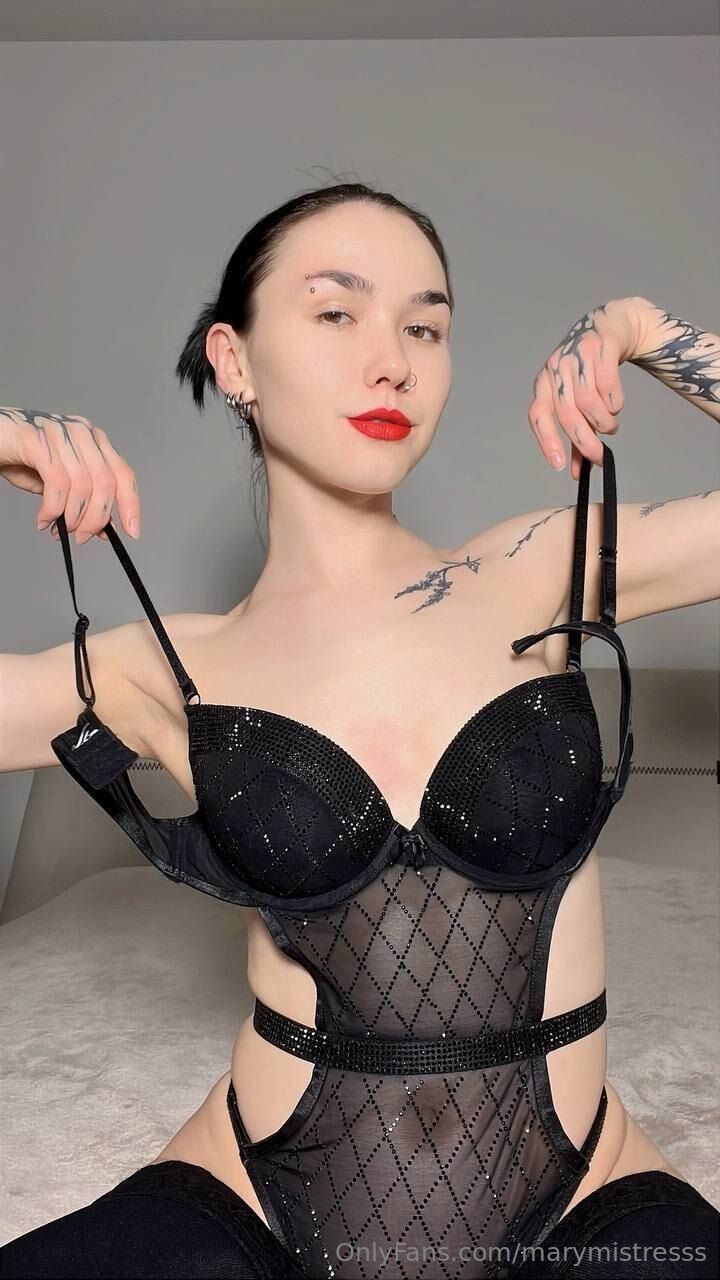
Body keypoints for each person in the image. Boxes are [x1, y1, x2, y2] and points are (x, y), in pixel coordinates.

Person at [0, 181, 717, 1279]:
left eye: (425, 327)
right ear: (233, 360)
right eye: (336, 312)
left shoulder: (534, 571)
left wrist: (640, 326)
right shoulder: (164, 668)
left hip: (578, 1196)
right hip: (255, 1197)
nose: (393, 363)